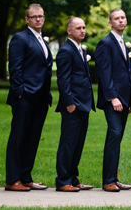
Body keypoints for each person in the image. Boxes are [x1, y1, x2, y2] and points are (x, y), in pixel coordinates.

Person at [4, 4, 53, 191]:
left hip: (40, 98)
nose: (38, 19)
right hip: (24, 97)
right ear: (27, 20)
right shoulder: (20, 38)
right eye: (34, 17)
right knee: (18, 138)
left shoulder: (43, 40)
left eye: (41, 16)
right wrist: (20, 92)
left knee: (32, 139)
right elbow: (14, 68)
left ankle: (26, 177)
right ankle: (12, 180)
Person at [95, 8, 131, 192]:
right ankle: (108, 181)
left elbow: (125, 74)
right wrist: (113, 98)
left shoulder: (122, 43)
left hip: (123, 100)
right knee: (114, 134)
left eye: (123, 17)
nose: (121, 20)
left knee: (116, 138)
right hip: (113, 100)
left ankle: (113, 177)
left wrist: (129, 100)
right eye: (116, 18)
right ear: (110, 23)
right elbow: (104, 73)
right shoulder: (105, 43)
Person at [53, 17, 95, 192]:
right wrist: (69, 103)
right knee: (68, 143)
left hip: (83, 105)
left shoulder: (78, 49)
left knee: (78, 144)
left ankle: (73, 178)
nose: (83, 30)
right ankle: (63, 180)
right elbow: (63, 80)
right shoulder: (66, 51)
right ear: (69, 31)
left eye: (84, 27)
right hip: (73, 106)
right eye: (78, 28)